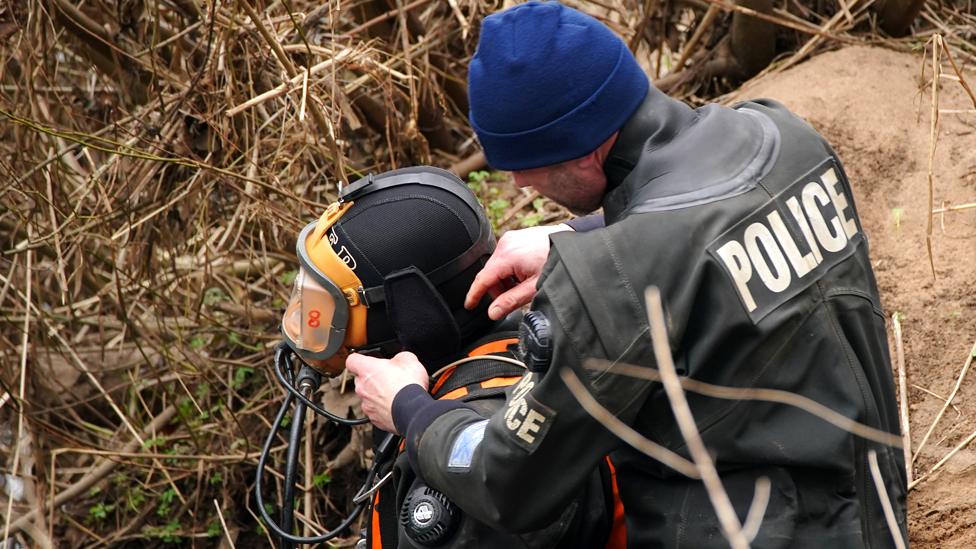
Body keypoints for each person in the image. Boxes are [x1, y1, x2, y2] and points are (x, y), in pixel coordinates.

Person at [347, 2, 908, 548]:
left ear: (584, 151)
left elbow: (508, 482)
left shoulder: (610, 284)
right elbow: (700, 221)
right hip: (875, 512)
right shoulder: (783, 136)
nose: (520, 187)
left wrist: (411, 410)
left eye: (525, 168)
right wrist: (585, 236)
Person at [279, 165, 623, 548]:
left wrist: (409, 408)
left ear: (412, 310)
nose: (313, 320)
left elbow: (491, 479)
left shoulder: (464, 452)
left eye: (333, 307)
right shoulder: (521, 354)